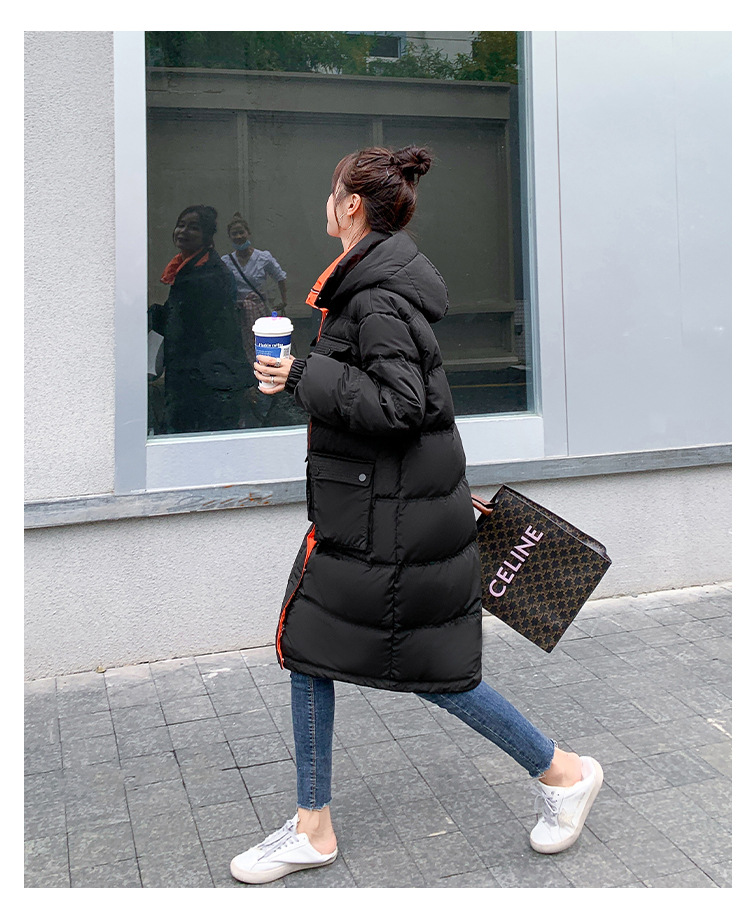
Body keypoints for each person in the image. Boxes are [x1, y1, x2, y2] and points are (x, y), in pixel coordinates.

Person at [229, 147, 603, 885]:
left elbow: (401, 407)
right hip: (378, 513)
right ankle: (313, 826)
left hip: (393, 522)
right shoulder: (375, 284)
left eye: (332, 191)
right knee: (315, 647)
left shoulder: (376, 298)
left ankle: (564, 772)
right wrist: (308, 378)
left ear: (351, 205)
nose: (327, 201)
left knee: (432, 670)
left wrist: (301, 372)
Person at [149, 205, 251, 434]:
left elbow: (204, 328)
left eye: (193, 227)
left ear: (206, 236)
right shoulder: (187, 268)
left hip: (205, 381)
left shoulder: (210, 273)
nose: (183, 231)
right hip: (190, 375)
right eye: (181, 225)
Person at [221, 212, 288, 362]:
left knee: (259, 343)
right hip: (237, 312)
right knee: (240, 346)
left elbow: (280, 277)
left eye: (241, 232)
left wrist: (284, 300)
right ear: (230, 237)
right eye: (234, 234)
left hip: (259, 310)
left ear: (248, 233)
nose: (238, 236)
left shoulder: (263, 257)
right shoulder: (226, 261)